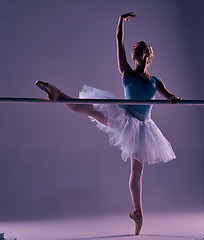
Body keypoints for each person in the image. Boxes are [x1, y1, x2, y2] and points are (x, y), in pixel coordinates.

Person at [35, 12, 181, 235]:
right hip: (125, 118)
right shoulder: (127, 73)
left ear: (149, 56)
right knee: (91, 109)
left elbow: (168, 94)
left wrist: (172, 98)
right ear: (134, 56)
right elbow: (119, 41)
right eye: (138, 51)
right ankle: (59, 95)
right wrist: (120, 22)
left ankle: (138, 212)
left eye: (144, 51)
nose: (140, 54)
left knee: (137, 171)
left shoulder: (154, 81)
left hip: (144, 127)